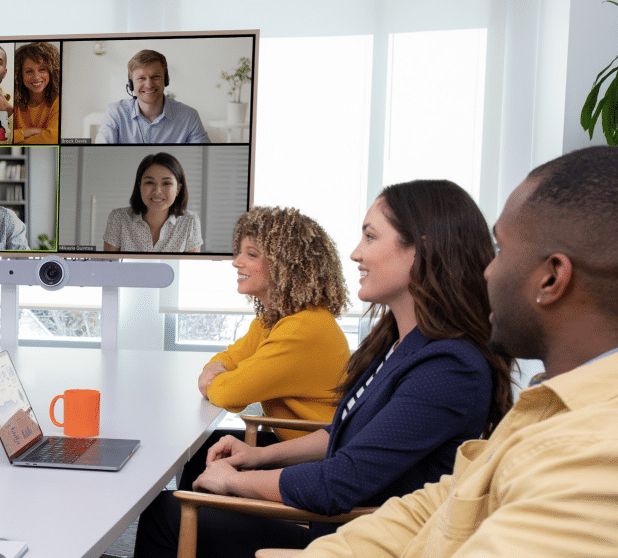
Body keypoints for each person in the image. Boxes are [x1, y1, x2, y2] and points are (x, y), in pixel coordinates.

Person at [135, 179, 514, 558]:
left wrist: (237, 482)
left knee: (165, 515)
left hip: (351, 540)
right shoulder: (399, 343)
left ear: (422, 249)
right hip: (338, 520)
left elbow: (339, 482)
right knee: (190, 489)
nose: (355, 254)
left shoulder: (449, 368)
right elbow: (347, 432)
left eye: (370, 237)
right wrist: (257, 457)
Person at [296, 146, 618, 558]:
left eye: (500, 250)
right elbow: (434, 509)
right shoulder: (545, 405)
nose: (486, 270)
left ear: (551, 277)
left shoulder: (591, 455)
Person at [181, 207, 350, 490]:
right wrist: (216, 369)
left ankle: (191, 519)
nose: (236, 262)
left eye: (251, 254)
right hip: (300, 451)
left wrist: (217, 380)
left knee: (183, 484)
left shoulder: (303, 328)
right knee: (202, 455)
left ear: (285, 265)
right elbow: (228, 358)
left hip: (316, 468)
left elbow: (230, 393)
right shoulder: (274, 319)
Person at [95, 50, 210, 144]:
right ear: (131, 84)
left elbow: (204, 155)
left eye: (155, 76)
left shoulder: (189, 117)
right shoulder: (116, 113)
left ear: (166, 80)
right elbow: (100, 156)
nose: (149, 85)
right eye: (141, 78)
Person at [103, 152, 203, 252]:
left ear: (178, 189)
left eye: (166, 183)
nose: (157, 191)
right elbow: (108, 265)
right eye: (149, 182)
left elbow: (192, 266)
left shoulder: (190, 222)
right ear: (140, 186)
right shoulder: (118, 218)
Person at [12, 42, 60, 145]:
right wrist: (26, 132)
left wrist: (16, 140)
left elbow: (52, 138)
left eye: (42, 70)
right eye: (29, 71)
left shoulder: (58, 101)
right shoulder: (12, 102)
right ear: (20, 75)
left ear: (52, 72)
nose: (36, 77)